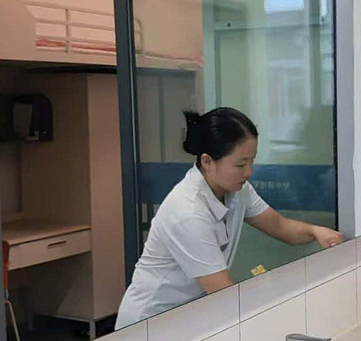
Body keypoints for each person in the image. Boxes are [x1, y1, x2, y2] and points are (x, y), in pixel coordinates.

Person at [116, 107, 343, 329]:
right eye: (240, 164)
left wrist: (316, 232)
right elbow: (224, 294)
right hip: (148, 323)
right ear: (207, 161)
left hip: (186, 316)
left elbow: (280, 226)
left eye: (251, 161)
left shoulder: (238, 190)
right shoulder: (187, 213)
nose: (249, 172)